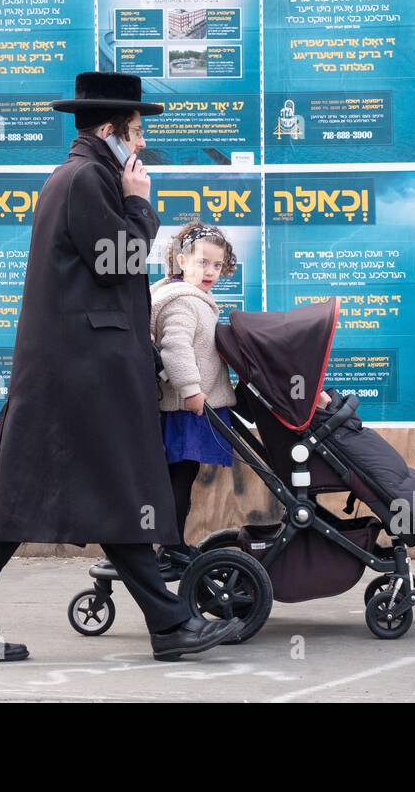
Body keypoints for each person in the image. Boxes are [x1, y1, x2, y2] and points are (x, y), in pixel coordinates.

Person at [0, 71, 242, 662]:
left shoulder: (83, 176)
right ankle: (170, 625)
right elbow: (118, 260)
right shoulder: (86, 180)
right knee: (80, 492)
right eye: (137, 130)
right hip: (80, 376)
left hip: (74, 373)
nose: (142, 143)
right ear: (110, 130)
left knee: (51, 495)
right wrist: (141, 205)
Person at [150, 221, 238, 580]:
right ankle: (170, 546)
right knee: (179, 480)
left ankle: (171, 542)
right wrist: (189, 389)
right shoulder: (183, 301)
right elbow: (175, 349)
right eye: (203, 263)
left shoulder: (193, 298)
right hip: (186, 409)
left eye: (217, 265)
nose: (211, 272)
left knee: (181, 479)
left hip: (192, 406)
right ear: (181, 260)